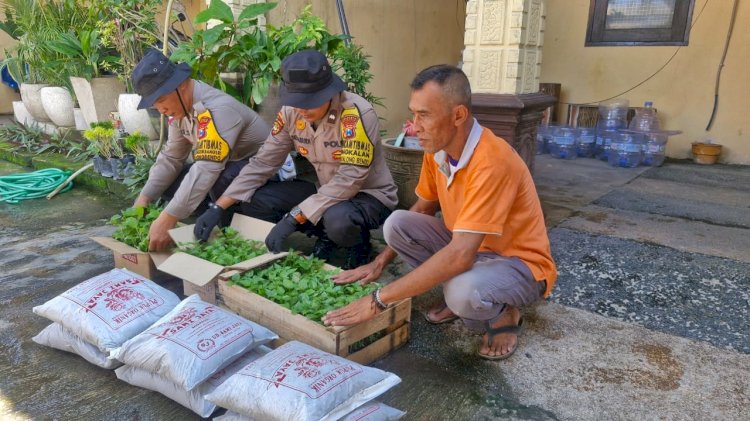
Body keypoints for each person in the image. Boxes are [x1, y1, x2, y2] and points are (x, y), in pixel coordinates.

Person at [322, 65, 557, 361]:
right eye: (413, 113)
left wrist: (377, 301)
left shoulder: (492, 161)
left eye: (424, 115)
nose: (413, 126)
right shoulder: (437, 150)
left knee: (462, 292)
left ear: (458, 115)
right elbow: (423, 208)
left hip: (519, 264)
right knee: (396, 224)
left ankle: (504, 313)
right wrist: (379, 262)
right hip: (471, 249)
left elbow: (460, 254)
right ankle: (456, 290)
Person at [193, 49, 398, 270]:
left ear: (329, 92)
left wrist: (293, 218)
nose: (303, 108)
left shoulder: (356, 114)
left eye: (311, 101)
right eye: (298, 101)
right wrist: (218, 206)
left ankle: (358, 246)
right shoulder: (291, 112)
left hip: (367, 195)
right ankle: (326, 237)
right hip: (324, 190)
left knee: (338, 219)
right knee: (258, 201)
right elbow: (264, 163)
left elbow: (350, 180)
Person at [130, 50, 270, 251]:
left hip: (265, 172)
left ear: (181, 85)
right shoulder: (180, 109)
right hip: (227, 168)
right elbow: (172, 156)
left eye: (161, 100)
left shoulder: (218, 109)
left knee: (219, 177)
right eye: (154, 104)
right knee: (172, 183)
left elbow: (207, 168)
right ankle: (209, 223)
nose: (160, 110)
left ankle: (229, 232)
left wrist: (168, 217)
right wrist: (144, 198)